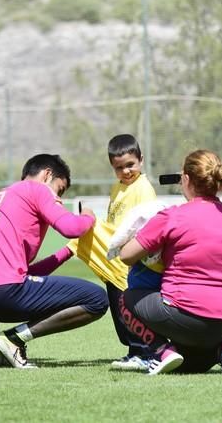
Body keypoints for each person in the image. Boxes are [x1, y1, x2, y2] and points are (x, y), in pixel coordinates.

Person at [0, 154, 108, 369]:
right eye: (59, 190)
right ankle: (13, 340)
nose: (58, 199)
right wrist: (89, 215)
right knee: (97, 298)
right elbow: (72, 228)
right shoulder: (37, 189)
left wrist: (68, 252)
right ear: (47, 175)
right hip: (0, 291)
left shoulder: (0, 198)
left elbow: (22, 273)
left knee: (3, 280)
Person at [119, 149, 222, 375]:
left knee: (126, 299)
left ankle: (161, 350)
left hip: (184, 315)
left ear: (186, 179)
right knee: (188, 367)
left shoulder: (173, 216)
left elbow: (126, 255)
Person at [69, 134, 160, 371]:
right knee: (119, 310)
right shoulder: (117, 187)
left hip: (133, 263)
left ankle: (145, 352)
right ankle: (135, 351)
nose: (126, 171)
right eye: (119, 168)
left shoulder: (143, 188)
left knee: (129, 308)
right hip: (115, 261)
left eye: (130, 165)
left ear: (141, 159)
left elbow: (146, 224)